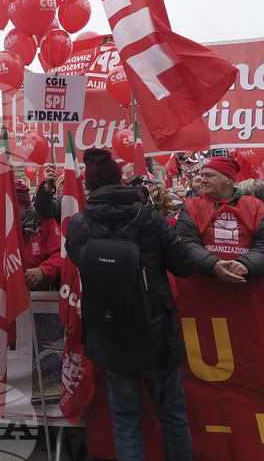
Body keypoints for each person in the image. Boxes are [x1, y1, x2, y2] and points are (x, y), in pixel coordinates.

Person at [65, 148, 194, 461]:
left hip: (109, 335)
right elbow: (185, 265)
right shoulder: (150, 218)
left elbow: (77, 261)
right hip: (155, 335)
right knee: (173, 419)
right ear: (119, 180)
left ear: (89, 186)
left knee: (125, 422)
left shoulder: (79, 224)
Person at [177, 156, 264, 283]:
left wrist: (245, 264)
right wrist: (213, 264)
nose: (203, 181)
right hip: (205, 286)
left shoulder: (257, 207)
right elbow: (186, 243)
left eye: (209, 176)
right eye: (202, 175)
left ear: (227, 180)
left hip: (249, 287)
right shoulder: (191, 207)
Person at [14, 180, 63, 290]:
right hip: (9, 292)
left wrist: (43, 271)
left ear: (27, 207)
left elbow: (61, 254)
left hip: (40, 293)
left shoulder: (45, 223)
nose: (10, 211)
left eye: (16, 207)